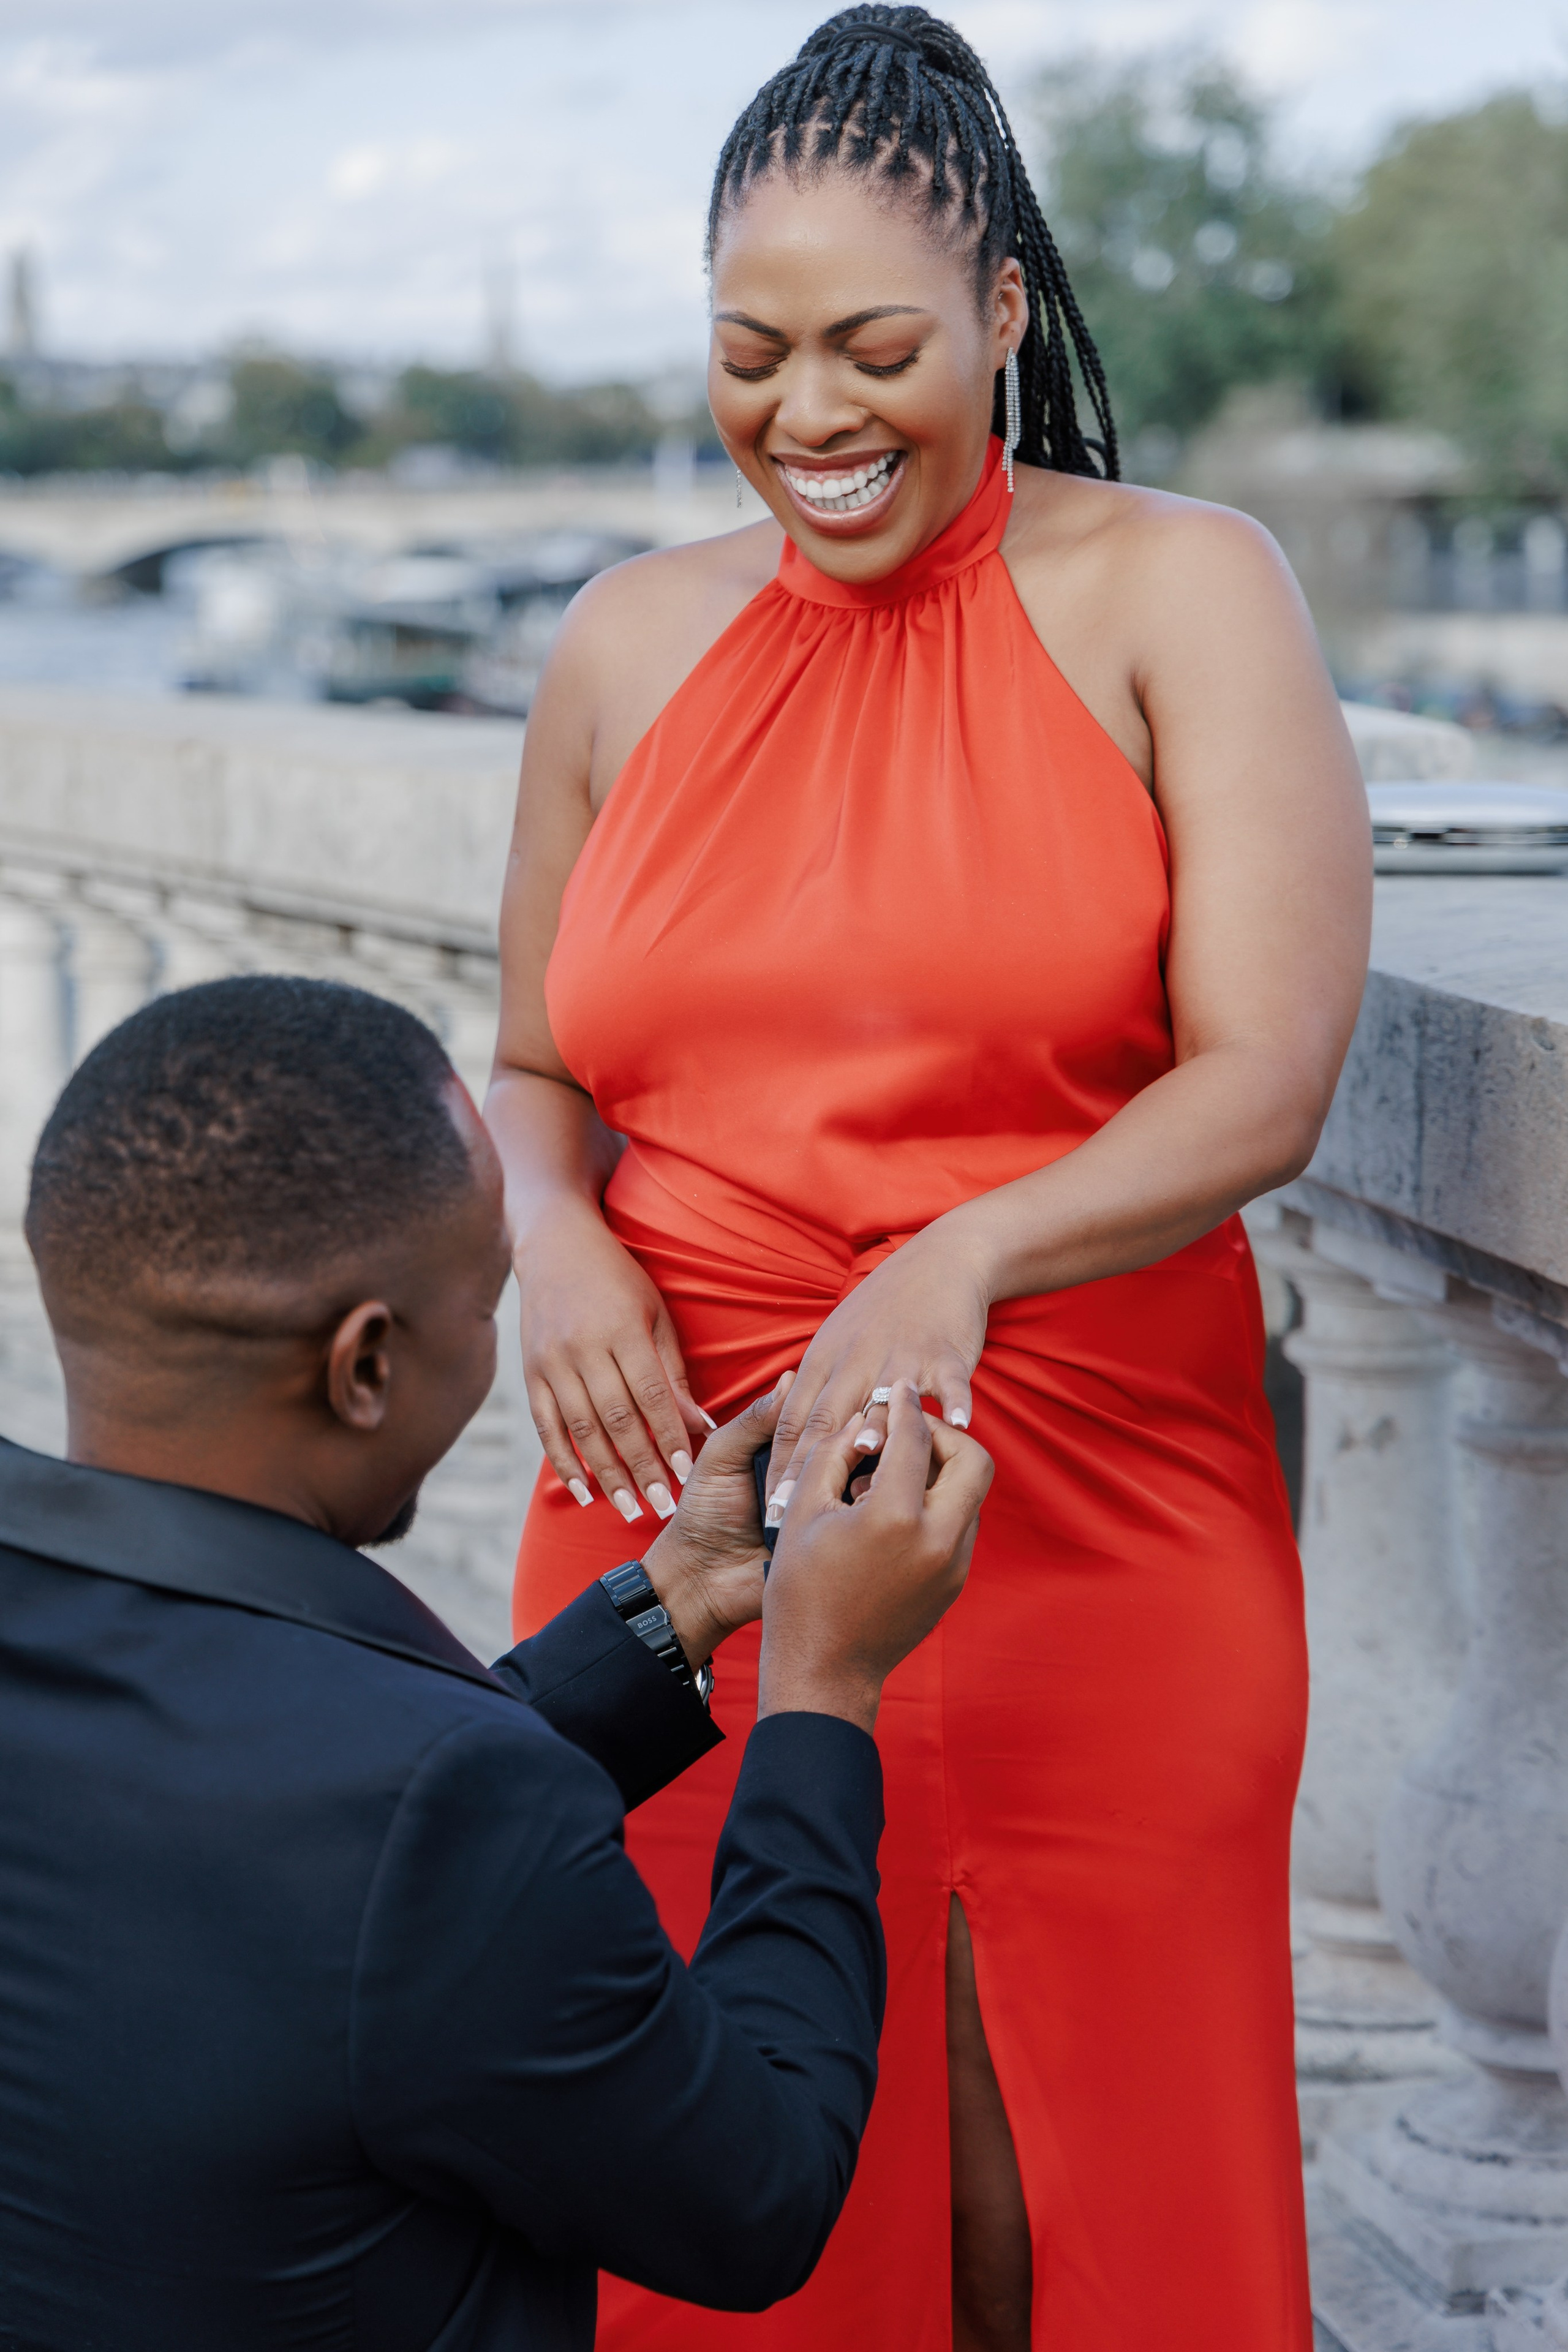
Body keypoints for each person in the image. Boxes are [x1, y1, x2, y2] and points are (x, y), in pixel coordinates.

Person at [486, 8, 1373, 2350]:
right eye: (752, 351)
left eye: (876, 344)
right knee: (720, 2141)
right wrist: (557, 1232)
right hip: (679, 1508)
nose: (811, 413)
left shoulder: (1185, 590)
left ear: (1000, 310)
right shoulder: (618, 642)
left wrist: (957, 1256)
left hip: (1090, 1488)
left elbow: (1267, 1074)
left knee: (1067, 2177)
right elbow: (524, 1062)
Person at [0, 973, 992, 2352]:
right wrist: (822, 1695)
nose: (499, 1338)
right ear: (364, 1367)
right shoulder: (439, 1814)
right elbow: (757, 2198)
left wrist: (675, 1603)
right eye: (488, 1303)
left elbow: (301, 1828)